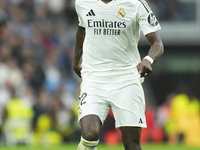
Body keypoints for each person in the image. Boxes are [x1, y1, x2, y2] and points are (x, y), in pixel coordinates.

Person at [73, 0, 164, 150]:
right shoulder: (83, 2)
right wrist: (76, 61)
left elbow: (157, 43)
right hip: (94, 78)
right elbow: (82, 28)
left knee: (132, 144)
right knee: (89, 134)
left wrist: (148, 59)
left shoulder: (136, 4)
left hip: (127, 79)